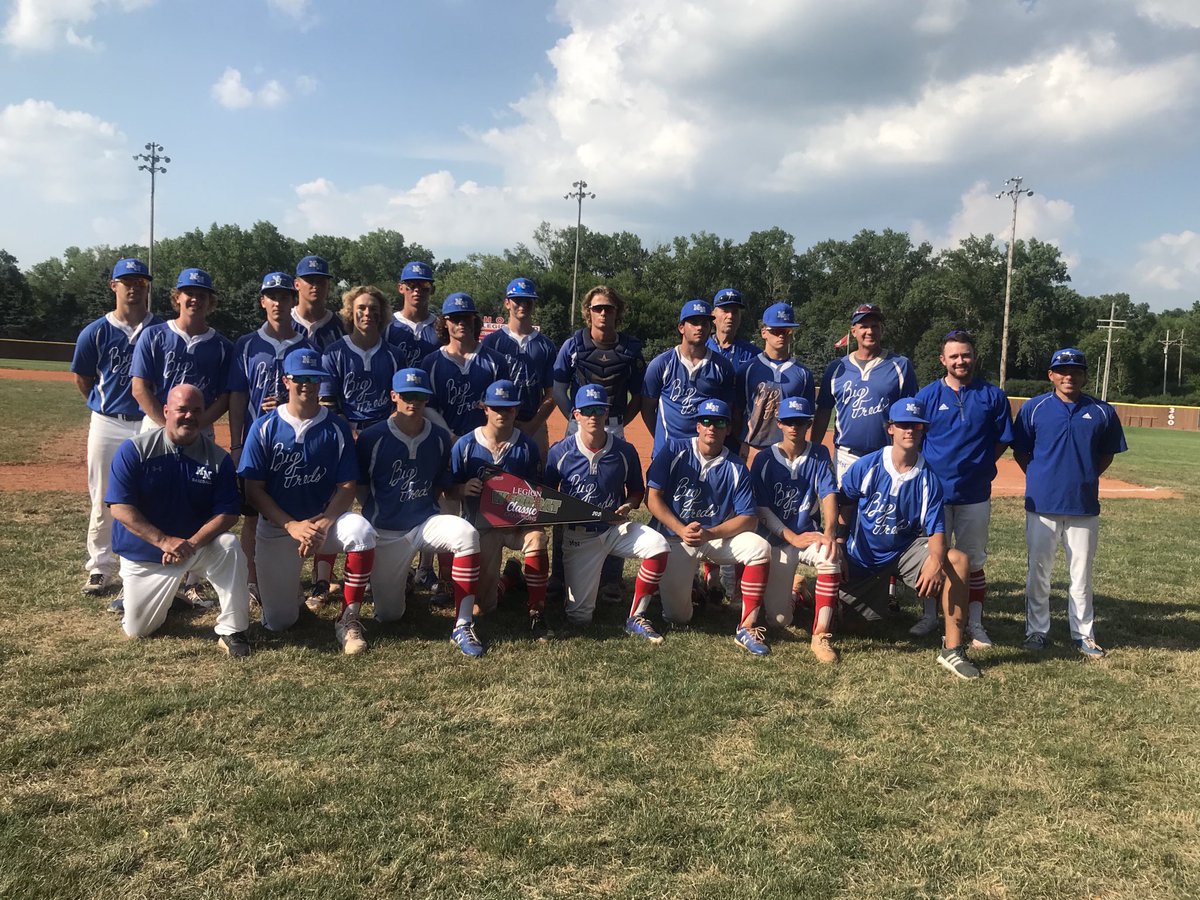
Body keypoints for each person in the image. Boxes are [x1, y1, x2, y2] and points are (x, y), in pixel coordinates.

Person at [239, 347, 377, 655]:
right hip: (278, 528)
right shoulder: (264, 427)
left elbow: (347, 485)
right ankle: (291, 598)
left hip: (323, 523)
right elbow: (254, 491)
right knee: (279, 622)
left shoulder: (336, 426)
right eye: (300, 378)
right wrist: (291, 525)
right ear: (286, 380)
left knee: (361, 531)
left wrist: (325, 522)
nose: (307, 384)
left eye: (314, 377)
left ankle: (349, 618)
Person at [837, 400, 980, 679]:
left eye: (916, 425)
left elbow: (937, 530)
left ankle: (952, 649)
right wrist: (840, 546)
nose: (909, 431)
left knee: (958, 560)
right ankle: (804, 594)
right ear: (890, 428)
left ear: (923, 429)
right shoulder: (867, 465)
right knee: (854, 626)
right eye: (902, 424)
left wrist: (937, 561)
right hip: (862, 558)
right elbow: (844, 506)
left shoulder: (928, 478)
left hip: (903, 553)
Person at [105, 384, 250, 656]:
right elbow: (120, 508)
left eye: (197, 410)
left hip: (193, 548)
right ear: (166, 410)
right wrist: (164, 541)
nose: (189, 416)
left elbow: (229, 512)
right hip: (147, 554)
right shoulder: (135, 450)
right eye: (182, 409)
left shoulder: (218, 458)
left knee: (229, 545)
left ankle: (233, 629)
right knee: (139, 630)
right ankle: (168, 599)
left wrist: (190, 544)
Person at [356, 368, 485, 657]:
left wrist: (462, 489)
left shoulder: (438, 438)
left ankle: (462, 624)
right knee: (389, 616)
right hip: (386, 530)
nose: (412, 402)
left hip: (424, 523)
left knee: (466, 534)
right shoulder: (372, 437)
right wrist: (377, 516)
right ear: (394, 396)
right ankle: (402, 582)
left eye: (419, 396)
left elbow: (443, 486)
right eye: (406, 395)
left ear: (427, 400)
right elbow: (360, 487)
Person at [1012, 348, 1127, 658]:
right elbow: (1021, 452)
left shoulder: (1102, 411)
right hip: (1043, 504)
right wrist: (1042, 477)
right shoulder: (1034, 408)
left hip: (1083, 506)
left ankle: (1084, 634)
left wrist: (1084, 477)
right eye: (1062, 371)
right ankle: (1036, 631)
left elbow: (1106, 454)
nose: (1069, 376)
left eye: (1076, 371)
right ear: (1051, 375)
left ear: (1085, 376)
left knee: (1081, 574)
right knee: (1039, 572)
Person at [543, 384, 670, 641]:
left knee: (658, 545)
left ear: (607, 413)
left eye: (598, 410)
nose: (593, 416)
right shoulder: (560, 451)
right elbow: (546, 496)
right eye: (587, 410)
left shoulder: (624, 450)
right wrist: (564, 514)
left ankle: (636, 616)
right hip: (580, 535)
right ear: (575, 414)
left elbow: (636, 490)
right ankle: (572, 593)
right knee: (580, 618)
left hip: (615, 528)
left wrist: (630, 504)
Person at [911, 329, 1013, 647]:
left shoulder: (992, 396)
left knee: (973, 559)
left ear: (974, 357)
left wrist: (980, 465)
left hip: (974, 493)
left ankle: (974, 623)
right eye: (953, 356)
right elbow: (914, 441)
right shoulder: (927, 396)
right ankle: (929, 616)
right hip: (935, 494)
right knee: (934, 557)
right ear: (942, 360)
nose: (960, 361)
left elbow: (1001, 441)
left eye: (965, 355)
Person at [645, 399, 772, 655]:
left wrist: (711, 533)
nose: (711, 427)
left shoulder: (736, 466)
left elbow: (749, 518)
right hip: (675, 537)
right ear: (697, 426)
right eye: (706, 421)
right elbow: (653, 498)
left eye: (719, 422)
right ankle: (696, 590)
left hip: (714, 537)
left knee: (760, 547)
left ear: (728, 429)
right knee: (678, 617)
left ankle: (747, 626)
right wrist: (681, 529)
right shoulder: (674, 450)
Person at [71, 257, 162, 597]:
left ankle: (136, 566)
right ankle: (99, 568)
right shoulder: (96, 330)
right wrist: (102, 406)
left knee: (145, 496)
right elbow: (83, 378)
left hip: (148, 422)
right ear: (114, 286)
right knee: (102, 496)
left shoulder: (158, 329)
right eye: (127, 281)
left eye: (140, 281)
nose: (134, 286)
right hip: (108, 421)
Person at [551, 284, 647, 604]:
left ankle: (610, 579)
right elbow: (558, 386)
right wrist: (574, 418)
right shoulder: (573, 346)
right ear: (587, 312)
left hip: (614, 424)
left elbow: (639, 394)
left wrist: (621, 421)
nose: (603, 313)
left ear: (618, 312)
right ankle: (559, 574)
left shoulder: (631, 349)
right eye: (597, 308)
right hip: (578, 424)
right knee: (564, 498)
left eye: (608, 308)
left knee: (613, 500)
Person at [227, 272, 312, 603]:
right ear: (263, 301)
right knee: (252, 516)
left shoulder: (305, 345)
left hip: (294, 445)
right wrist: (236, 443)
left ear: (293, 300)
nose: (278, 302)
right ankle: (252, 579)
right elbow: (236, 395)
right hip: (256, 443)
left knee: (293, 515)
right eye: (271, 296)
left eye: (284, 296)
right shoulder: (247, 344)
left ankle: (290, 580)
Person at [447, 380, 550, 641]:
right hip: (483, 526)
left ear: (516, 410)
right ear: (485, 408)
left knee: (538, 537)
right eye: (496, 408)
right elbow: (448, 489)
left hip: (518, 524)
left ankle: (536, 609)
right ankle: (509, 578)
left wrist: (527, 510)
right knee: (484, 607)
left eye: (508, 409)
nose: (501, 414)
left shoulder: (526, 447)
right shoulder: (466, 444)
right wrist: (462, 488)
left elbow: (537, 493)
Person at [749, 396, 841, 663]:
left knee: (830, 555)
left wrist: (830, 532)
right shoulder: (765, 459)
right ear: (779, 423)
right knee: (778, 621)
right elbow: (761, 509)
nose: (794, 428)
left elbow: (829, 494)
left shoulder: (819, 453)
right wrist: (791, 536)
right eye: (788, 422)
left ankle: (821, 635)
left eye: (800, 422)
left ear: (808, 424)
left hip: (808, 533)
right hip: (776, 539)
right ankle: (796, 592)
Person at [812, 303, 918, 484]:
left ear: (882, 330)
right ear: (853, 331)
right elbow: (823, 412)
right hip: (846, 455)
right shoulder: (837, 368)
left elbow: (910, 414)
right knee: (845, 509)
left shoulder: (900, 365)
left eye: (874, 326)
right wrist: (814, 451)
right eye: (864, 326)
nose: (869, 331)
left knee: (883, 511)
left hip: (886, 454)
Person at [130, 267, 234, 434]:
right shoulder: (153, 335)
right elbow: (139, 388)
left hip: (200, 427)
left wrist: (196, 426)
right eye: (189, 293)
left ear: (210, 301)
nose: (195, 299)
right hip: (156, 424)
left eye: (202, 295)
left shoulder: (223, 346)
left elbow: (224, 398)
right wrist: (168, 426)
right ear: (177, 297)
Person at [642, 299, 736, 457]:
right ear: (681, 328)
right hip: (667, 452)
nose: (700, 327)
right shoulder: (662, 364)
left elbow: (727, 411)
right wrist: (661, 437)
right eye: (693, 322)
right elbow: (647, 409)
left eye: (705, 323)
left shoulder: (722, 367)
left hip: (705, 455)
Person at [480, 277, 557, 460]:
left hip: (533, 420)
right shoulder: (492, 342)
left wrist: (534, 424)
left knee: (535, 479)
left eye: (528, 301)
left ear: (534, 304)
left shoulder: (546, 345)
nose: (522, 305)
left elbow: (552, 392)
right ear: (507, 303)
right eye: (517, 300)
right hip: (497, 419)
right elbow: (483, 387)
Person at [322, 285, 407, 433]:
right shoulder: (334, 353)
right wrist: (347, 430)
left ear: (381, 314)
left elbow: (403, 400)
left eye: (374, 309)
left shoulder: (395, 355)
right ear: (350, 312)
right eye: (361, 308)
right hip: (345, 430)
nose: (367, 313)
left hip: (386, 430)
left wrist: (386, 429)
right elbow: (326, 401)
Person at [737, 302, 816, 457]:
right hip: (754, 448)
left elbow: (807, 418)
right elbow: (736, 412)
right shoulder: (747, 370)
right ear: (764, 332)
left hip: (789, 452)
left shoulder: (803, 373)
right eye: (776, 330)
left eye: (786, 330)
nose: (781, 335)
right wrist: (742, 443)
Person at [386, 261, 440, 366]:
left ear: (432, 289)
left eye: (424, 285)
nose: (417, 290)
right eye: (411, 284)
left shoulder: (441, 327)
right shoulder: (387, 325)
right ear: (400, 288)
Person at [292, 255, 344, 351]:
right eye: (310, 280)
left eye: (321, 281)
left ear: (329, 285)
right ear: (297, 284)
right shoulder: (284, 322)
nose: (315, 286)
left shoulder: (340, 326)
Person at [707, 288, 759, 374]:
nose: (730, 316)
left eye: (735, 312)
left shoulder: (753, 354)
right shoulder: (701, 350)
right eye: (725, 311)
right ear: (713, 316)